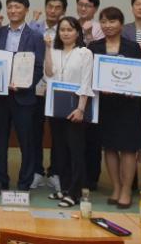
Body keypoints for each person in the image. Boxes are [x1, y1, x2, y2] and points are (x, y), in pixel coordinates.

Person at [0, 0, 44, 196]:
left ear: (26, 10)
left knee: (27, 142)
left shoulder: (35, 36)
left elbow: (39, 66)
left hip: (24, 97)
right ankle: (0, 180)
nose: (13, 11)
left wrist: (24, 85)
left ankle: (25, 183)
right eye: (10, 7)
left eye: (17, 7)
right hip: (0, 96)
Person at [89, 7, 141, 209]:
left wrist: (134, 89)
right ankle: (116, 187)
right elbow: (89, 74)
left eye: (112, 21)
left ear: (121, 24)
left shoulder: (132, 47)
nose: (108, 25)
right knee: (110, 147)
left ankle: (126, 190)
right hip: (105, 105)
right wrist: (98, 85)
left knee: (128, 148)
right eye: (104, 21)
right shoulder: (94, 47)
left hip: (128, 105)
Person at [44, 16, 94, 207]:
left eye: (70, 30)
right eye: (62, 30)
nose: (65, 33)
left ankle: (75, 192)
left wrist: (81, 109)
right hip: (56, 106)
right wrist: (48, 48)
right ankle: (64, 189)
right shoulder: (54, 50)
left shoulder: (84, 53)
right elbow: (49, 73)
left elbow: (86, 82)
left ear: (77, 32)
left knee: (76, 151)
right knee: (61, 150)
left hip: (75, 107)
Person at [28, 0, 67, 192]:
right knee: (35, 131)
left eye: (57, 7)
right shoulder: (34, 29)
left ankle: (55, 172)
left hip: (58, 88)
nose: (53, 11)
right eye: (50, 6)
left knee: (58, 132)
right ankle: (36, 171)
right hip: (35, 87)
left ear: (64, 11)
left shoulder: (66, 31)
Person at [76, 0, 104, 189]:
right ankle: (75, 175)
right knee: (74, 135)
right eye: (81, 4)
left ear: (95, 9)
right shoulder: (71, 24)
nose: (83, 8)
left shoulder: (100, 27)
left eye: (88, 5)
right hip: (73, 86)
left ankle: (92, 178)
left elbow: (99, 53)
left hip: (94, 88)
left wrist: (88, 35)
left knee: (92, 135)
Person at [123, 0, 141, 191]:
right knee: (131, 132)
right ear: (132, 7)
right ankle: (129, 179)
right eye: (138, 4)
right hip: (130, 89)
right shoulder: (125, 30)